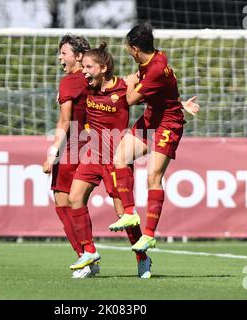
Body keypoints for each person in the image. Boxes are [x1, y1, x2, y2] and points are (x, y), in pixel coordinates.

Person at [108, 22, 200, 252]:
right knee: (120, 158)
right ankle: (129, 213)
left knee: (153, 176)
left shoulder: (156, 69)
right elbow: (163, 91)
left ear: (135, 49)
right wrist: (178, 101)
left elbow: (129, 100)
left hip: (168, 123)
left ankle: (148, 235)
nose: (127, 51)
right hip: (152, 117)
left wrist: (130, 83)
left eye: (128, 48)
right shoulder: (154, 59)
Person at [67, 42, 152, 278]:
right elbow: (70, 80)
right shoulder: (86, 86)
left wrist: (179, 103)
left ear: (103, 68)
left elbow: (155, 89)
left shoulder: (126, 87)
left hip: (117, 159)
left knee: (123, 215)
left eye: (89, 67)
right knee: (74, 198)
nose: (84, 71)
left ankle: (142, 257)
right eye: (83, 66)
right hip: (93, 155)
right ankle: (89, 253)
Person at [42, 34, 96, 278]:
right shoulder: (94, 79)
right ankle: (87, 257)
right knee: (75, 202)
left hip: (73, 147)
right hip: (94, 144)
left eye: (64, 53)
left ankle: (85, 257)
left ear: (79, 56)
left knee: (64, 203)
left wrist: (52, 153)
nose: (60, 57)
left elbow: (65, 121)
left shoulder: (70, 82)